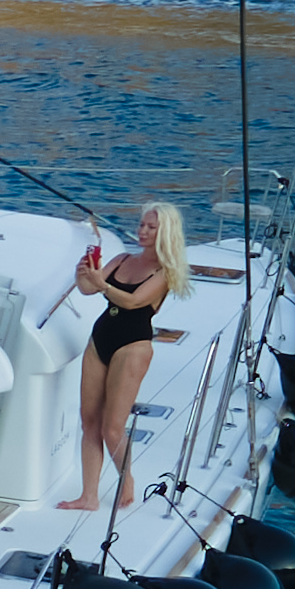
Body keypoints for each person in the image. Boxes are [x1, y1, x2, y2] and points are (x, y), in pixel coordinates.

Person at [61, 202, 188, 511]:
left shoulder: (166, 273)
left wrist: (101, 283)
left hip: (133, 346)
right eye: (142, 225)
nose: (142, 231)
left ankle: (125, 477)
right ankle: (88, 496)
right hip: (101, 337)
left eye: (150, 227)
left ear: (165, 233)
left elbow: (132, 302)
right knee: (89, 421)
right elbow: (88, 290)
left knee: (112, 427)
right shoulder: (121, 260)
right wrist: (84, 274)